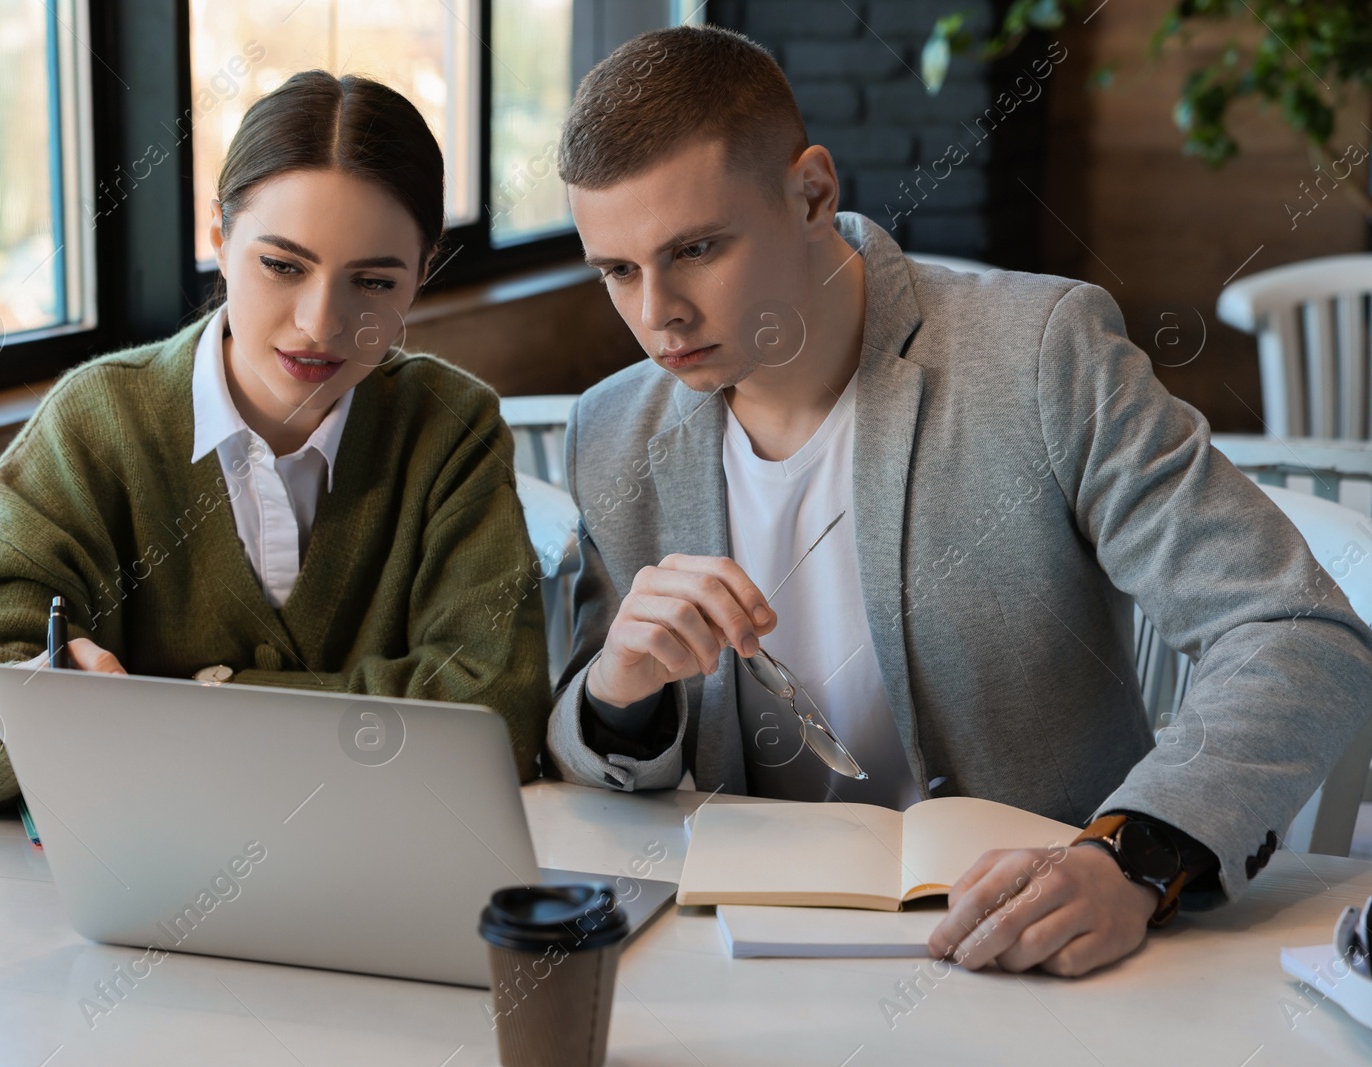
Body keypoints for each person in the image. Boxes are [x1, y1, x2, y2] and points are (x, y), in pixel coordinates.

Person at [545, 25, 1372, 976]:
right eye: (616, 270)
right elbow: (587, 746)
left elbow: (1296, 630)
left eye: (695, 248)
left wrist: (1132, 853)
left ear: (813, 193)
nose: (657, 314)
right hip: (742, 957)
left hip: (1045, 957)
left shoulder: (1039, 354)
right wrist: (618, 689)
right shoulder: (612, 429)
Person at [0, 72, 551, 810]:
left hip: (377, 883)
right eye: (282, 266)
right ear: (220, 239)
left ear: (421, 276)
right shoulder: (97, 422)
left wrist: (202, 697)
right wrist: (28, 705)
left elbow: (500, 716)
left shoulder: (451, 425)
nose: (319, 324)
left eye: (372, 282)